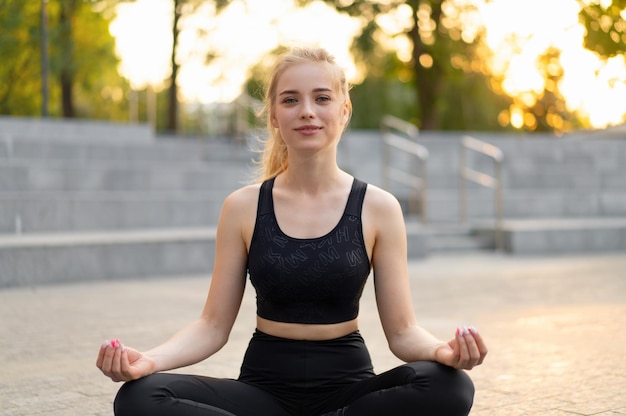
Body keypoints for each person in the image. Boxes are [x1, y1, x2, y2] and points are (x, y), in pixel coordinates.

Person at [96, 46, 487, 416]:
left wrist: (444, 353)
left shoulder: (379, 208)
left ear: (344, 110)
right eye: (290, 100)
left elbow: (402, 332)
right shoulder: (243, 207)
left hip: (348, 391)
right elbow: (212, 326)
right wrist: (149, 360)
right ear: (273, 115)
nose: (306, 112)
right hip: (263, 389)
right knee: (140, 396)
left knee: (451, 386)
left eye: (321, 98)